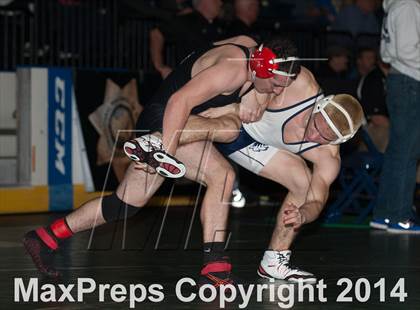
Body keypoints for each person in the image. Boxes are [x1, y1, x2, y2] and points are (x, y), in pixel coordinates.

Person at [22, 35, 302, 286]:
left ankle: (46, 237)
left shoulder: (249, 48)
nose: (277, 92)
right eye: (276, 85)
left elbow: (208, 52)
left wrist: (256, 95)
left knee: (123, 205)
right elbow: (178, 101)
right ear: (264, 67)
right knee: (224, 168)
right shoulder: (232, 70)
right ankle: (214, 265)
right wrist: (165, 149)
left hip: (181, 124)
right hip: (166, 121)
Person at [197, 66, 364, 282]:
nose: (313, 135)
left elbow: (316, 200)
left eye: (324, 137)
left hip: (246, 142)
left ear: (339, 141)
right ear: (319, 106)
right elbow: (265, 59)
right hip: (225, 116)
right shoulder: (302, 85)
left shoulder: (328, 158)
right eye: (315, 124)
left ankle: (274, 260)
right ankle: (158, 139)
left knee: (304, 183)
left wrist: (303, 214)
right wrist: (247, 98)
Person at [370, 0, 420, 233]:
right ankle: (399, 216)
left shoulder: (398, 5)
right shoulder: (408, 6)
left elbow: (389, 52)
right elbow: (408, 51)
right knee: (407, 153)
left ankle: (384, 215)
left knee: (399, 152)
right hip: (410, 82)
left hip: (402, 81)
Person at [150, 0, 225, 79]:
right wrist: (160, 67)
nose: (220, 3)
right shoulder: (187, 20)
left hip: (214, 77)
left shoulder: (220, 25)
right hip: (190, 78)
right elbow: (156, 34)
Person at [355, 47, 389, 152]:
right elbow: (377, 119)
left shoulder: (390, 79)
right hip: (371, 129)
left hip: (384, 127)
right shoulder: (374, 80)